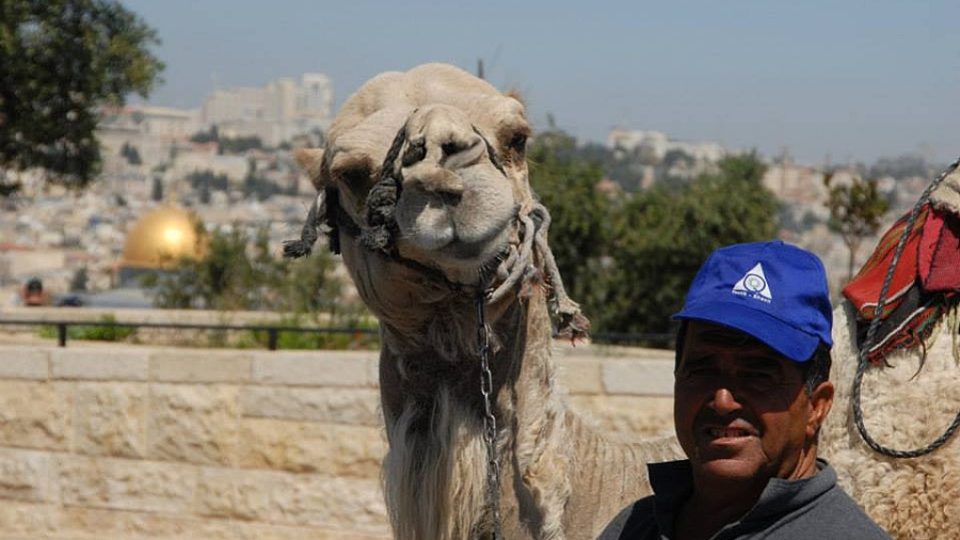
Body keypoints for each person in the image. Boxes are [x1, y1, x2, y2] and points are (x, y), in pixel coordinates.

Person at [599, 240, 889, 540]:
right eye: (703, 370)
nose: (723, 401)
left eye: (758, 375)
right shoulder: (634, 527)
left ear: (817, 406)